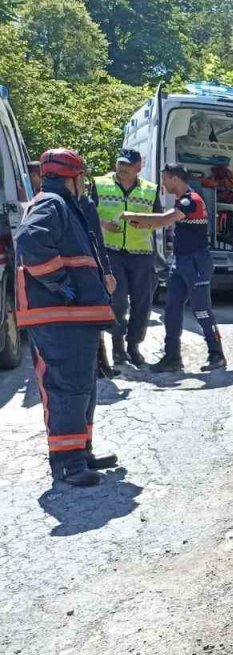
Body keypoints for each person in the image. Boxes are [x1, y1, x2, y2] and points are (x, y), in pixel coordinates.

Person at [16, 149, 119, 487]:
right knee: (66, 387)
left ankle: (81, 452)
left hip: (73, 316)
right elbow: (31, 241)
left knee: (82, 387)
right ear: (73, 177)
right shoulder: (52, 202)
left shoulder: (62, 204)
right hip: (59, 315)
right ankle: (67, 463)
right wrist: (59, 281)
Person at [121, 164, 226, 373]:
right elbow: (165, 222)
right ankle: (172, 357)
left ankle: (217, 354)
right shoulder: (183, 200)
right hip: (180, 262)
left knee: (202, 309)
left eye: (164, 179)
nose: (163, 185)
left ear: (174, 179)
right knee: (172, 309)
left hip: (196, 262)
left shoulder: (191, 200)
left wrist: (132, 215)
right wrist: (146, 225)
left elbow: (164, 219)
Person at [91, 148, 161, 368]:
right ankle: (118, 347)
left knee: (142, 304)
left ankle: (134, 346)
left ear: (138, 167)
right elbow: (87, 213)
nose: (122, 168)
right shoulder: (100, 184)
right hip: (112, 253)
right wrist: (103, 224)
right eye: (120, 164)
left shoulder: (151, 189)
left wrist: (146, 223)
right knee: (118, 302)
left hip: (141, 254)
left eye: (127, 165)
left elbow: (159, 219)